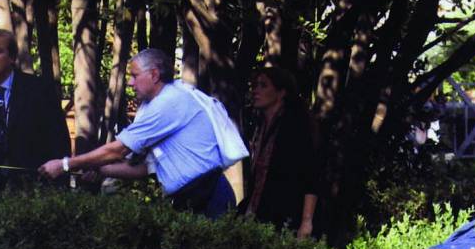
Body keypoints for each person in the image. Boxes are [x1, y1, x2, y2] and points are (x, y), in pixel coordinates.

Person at [38, 48, 234, 219]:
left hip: (209, 196)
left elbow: (118, 150)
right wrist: (100, 170)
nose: (130, 83)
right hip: (194, 197)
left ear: (154, 75)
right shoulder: (156, 105)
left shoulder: (169, 103)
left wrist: (65, 164)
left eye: (134, 75)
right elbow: (145, 169)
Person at [0, 29, 72, 211]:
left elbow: (58, 140)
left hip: (34, 193)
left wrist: (57, 188)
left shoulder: (39, 91)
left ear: (12, 57)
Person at [243, 67, 320, 238]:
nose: (255, 91)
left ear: (281, 92)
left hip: (284, 216)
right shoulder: (259, 126)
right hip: (256, 211)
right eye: (255, 85)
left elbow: (311, 176)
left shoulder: (295, 128)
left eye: (263, 86)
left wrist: (306, 221)